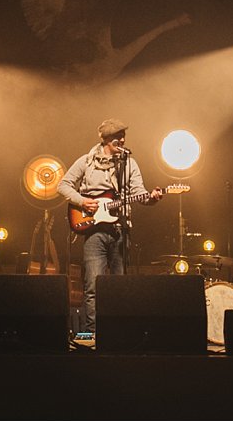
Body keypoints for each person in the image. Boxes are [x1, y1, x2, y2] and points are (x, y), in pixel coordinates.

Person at [57, 118, 165, 336]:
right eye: (117, 136)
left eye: (123, 135)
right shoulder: (86, 161)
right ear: (106, 139)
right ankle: (92, 333)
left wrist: (152, 198)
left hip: (120, 230)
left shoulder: (129, 164)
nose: (122, 139)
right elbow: (63, 185)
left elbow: (139, 193)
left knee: (121, 286)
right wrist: (81, 201)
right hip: (94, 230)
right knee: (93, 287)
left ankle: (119, 333)